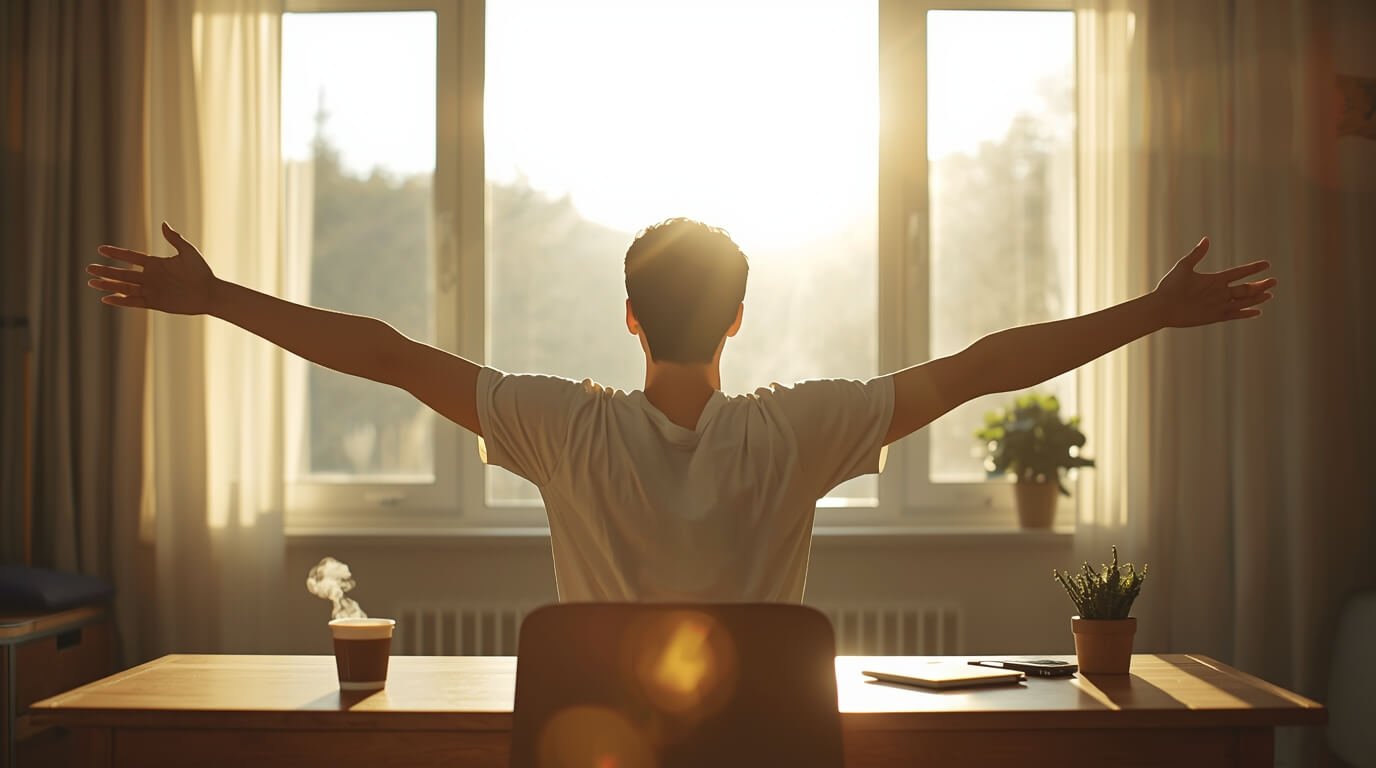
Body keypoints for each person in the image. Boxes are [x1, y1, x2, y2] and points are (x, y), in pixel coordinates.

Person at [88, 218, 1275, 602]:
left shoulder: (564, 425)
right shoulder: (797, 429)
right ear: (740, 319)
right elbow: (979, 366)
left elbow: (392, 357)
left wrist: (219, 297)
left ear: (627, 318)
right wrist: (1149, 314)